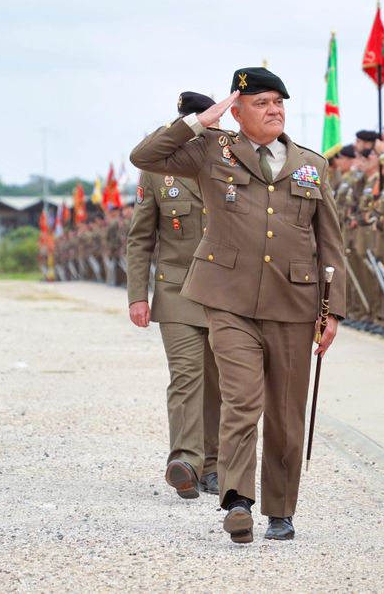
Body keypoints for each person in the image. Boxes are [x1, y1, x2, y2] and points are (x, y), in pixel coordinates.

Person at [130, 67, 346, 543]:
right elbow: (144, 155)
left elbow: (331, 244)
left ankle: (281, 510)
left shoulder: (311, 164)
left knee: (287, 415)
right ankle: (237, 500)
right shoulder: (212, 150)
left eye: (278, 103)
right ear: (238, 109)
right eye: (262, 103)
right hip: (228, 301)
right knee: (242, 401)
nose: (273, 111)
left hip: (294, 303)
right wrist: (200, 121)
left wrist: (333, 313)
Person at [127, 91, 221, 499]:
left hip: (225, 291)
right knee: (186, 376)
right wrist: (137, 295)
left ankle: (215, 465)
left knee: (220, 383)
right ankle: (185, 460)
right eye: (193, 123)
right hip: (177, 288)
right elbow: (140, 237)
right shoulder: (158, 172)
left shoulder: (230, 158)